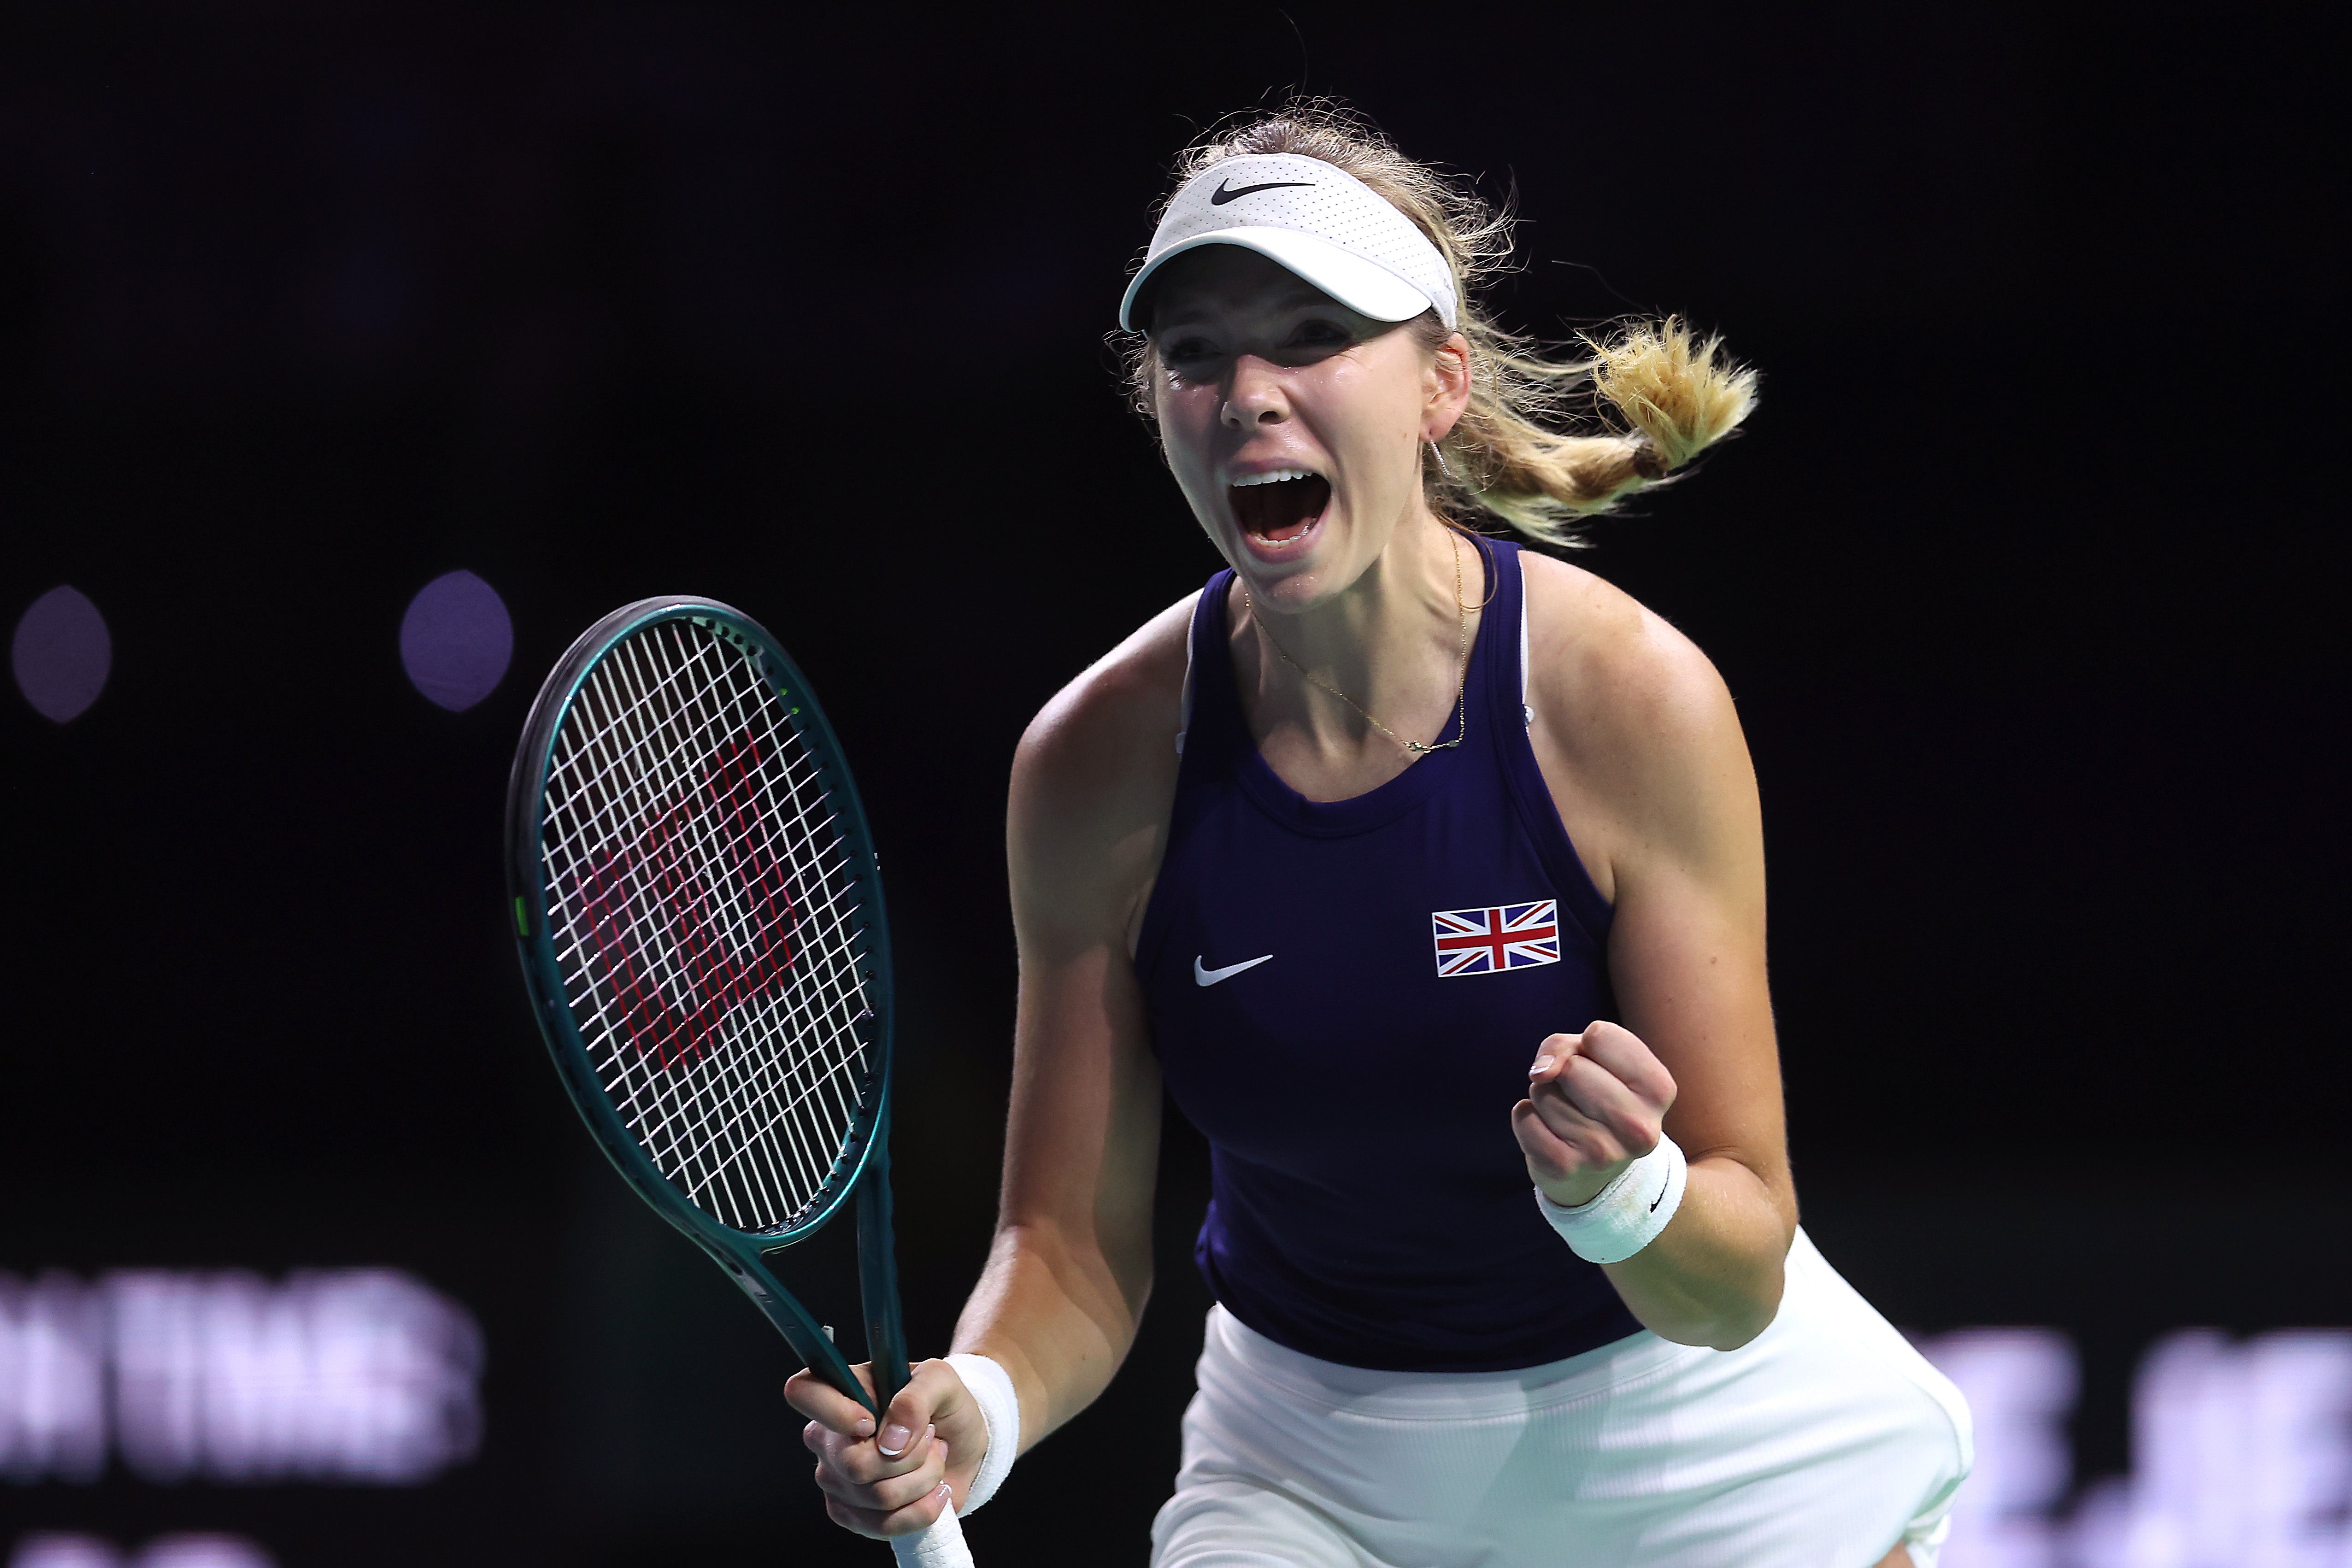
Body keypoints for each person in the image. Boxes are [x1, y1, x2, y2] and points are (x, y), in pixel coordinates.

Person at [787, 103, 1971, 1567]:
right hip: (1318, 1460)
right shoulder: (1096, 764)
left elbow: (1733, 1283)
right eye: (1198, 352)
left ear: (1439, 385)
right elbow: (1073, 1248)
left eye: (1311, 337)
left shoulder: (1624, 705)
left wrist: (1626, 1194)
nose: (1247, 394)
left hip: (1684, 1427)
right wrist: (981, 1398)